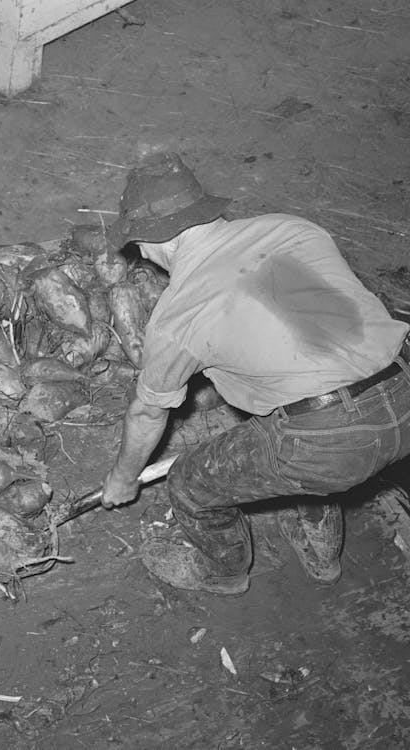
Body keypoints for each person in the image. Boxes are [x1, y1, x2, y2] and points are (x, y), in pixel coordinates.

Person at [99, 152, 410, 595]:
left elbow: (147, 414)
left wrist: (123, 478)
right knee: (298, 435)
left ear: (149, 238)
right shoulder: (293, 226)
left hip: (329, 441)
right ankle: (322, 555)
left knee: (190, 482)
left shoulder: (178, 313)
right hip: (403, 388)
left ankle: (222, 574)